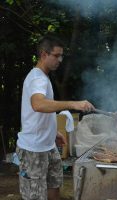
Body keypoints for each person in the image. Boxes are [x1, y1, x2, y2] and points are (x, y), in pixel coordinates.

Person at [16, 35, 95, 200]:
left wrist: (53, 131)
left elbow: (44, 109)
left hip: (48, 146)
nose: (60, 60)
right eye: (56, 55)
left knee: (54, 185)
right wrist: (73, 104)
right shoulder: (37, 78)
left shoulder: (43, 77)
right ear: (44, 54)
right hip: (33, 149)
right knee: (35, 196)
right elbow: (38, 104)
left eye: (61, 56)